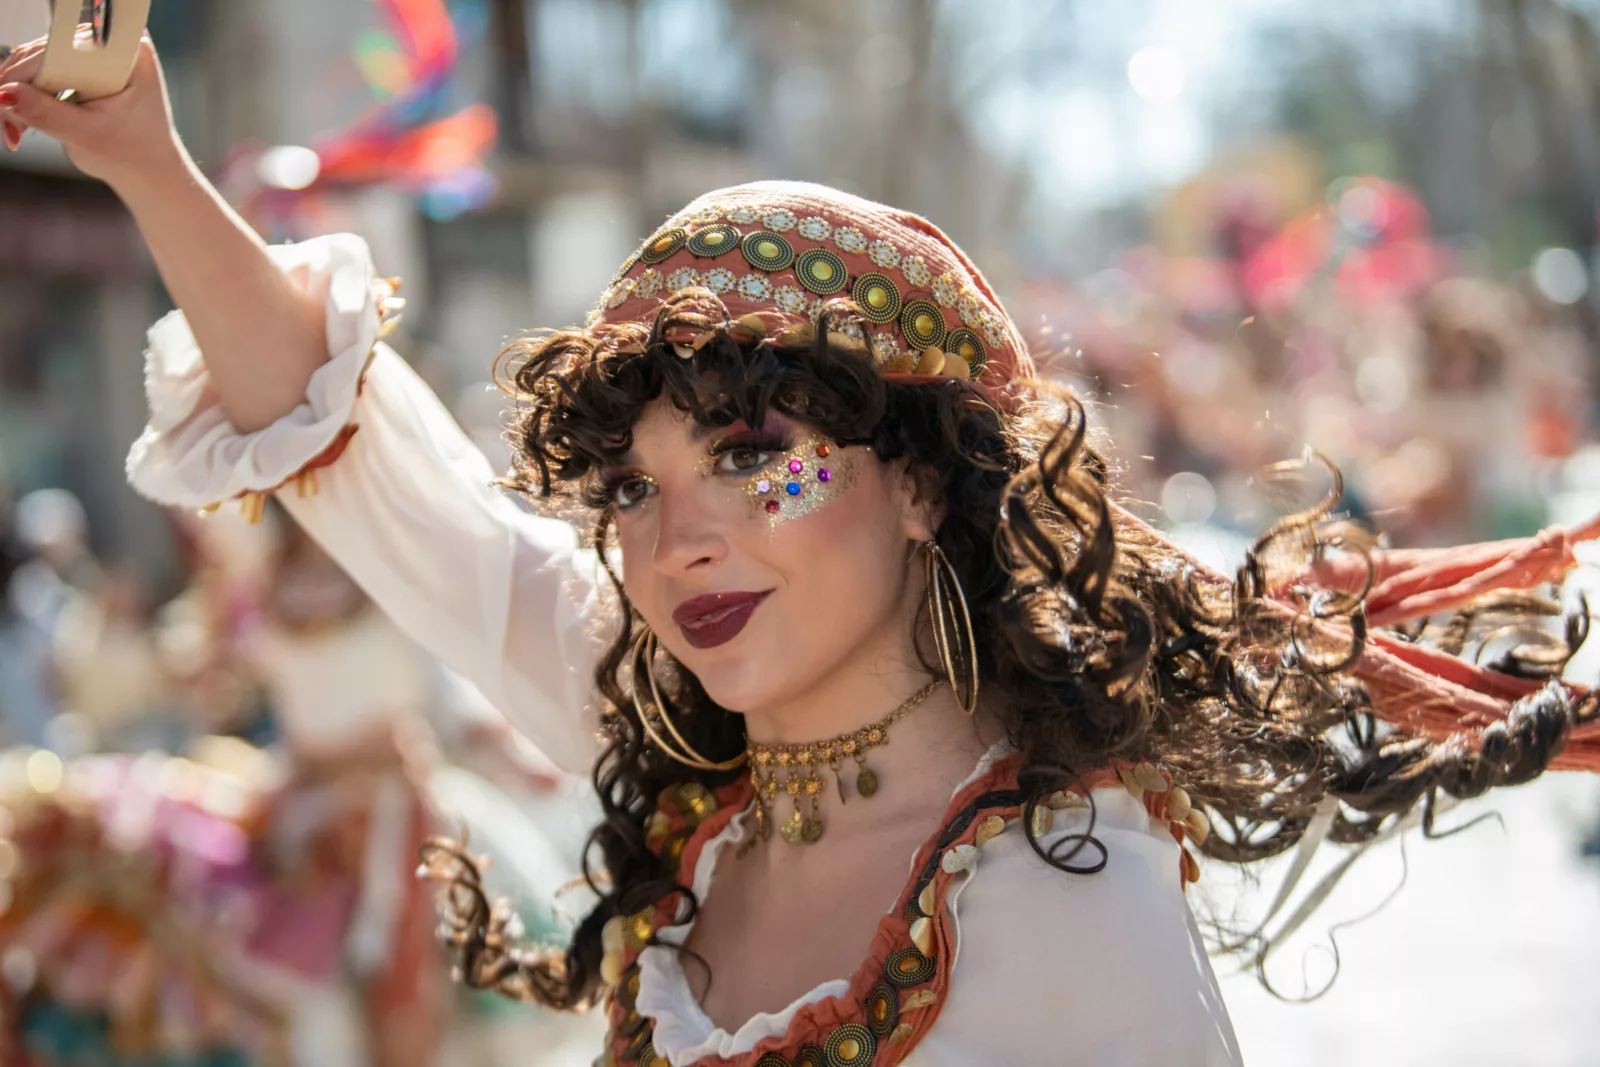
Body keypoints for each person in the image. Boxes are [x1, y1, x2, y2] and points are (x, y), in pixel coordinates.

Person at [5, 34, 1599, 1067]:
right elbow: (376, 462)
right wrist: (144, 154)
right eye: (634, 487)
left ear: (920, 485)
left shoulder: (1071, 909)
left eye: (752, 456)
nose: (676, 537)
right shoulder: (680, 766)